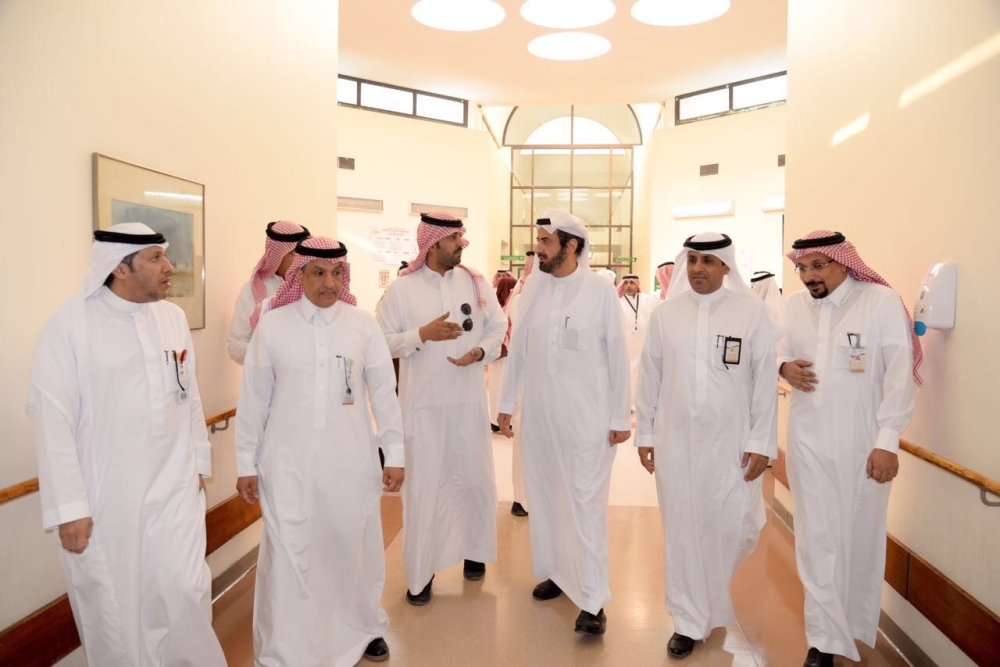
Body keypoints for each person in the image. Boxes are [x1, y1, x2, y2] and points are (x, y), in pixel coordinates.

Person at [26, 223, 225, 666]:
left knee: (186, 592)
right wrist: (69, 508)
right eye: (155, 258)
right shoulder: (70, 326)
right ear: (118, 267)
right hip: (107, 498)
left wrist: (198, 464)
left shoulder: (171, 319)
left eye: (165, 255)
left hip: (174, 491)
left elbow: (189, 398)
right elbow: (53, 422)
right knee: (117, 610)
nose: (169, 267)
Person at [236, 236, 404, 665]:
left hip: (350, 462)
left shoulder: (363, 325)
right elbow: (254, 400)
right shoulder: (273, 325)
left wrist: (395, 454)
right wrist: (245, 463)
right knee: (290, 553)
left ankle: (363, 626)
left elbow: (385, 395)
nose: (330, 282)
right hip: (286, 464)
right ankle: (284, 646)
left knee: (351, 546)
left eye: (337, 273)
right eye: (319, 273)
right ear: (299, 274)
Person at [779, 230, 920, 667]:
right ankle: (823, 641)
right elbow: (777, 350)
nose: (809, 276)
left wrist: (887, 442)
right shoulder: (794, 306)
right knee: (815, 540)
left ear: (844, 262)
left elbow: (899, 375)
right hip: (807, 442)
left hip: (864, 446)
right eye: (802, 268)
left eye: (818, 266)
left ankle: (851, 628)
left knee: (859, 537)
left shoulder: (880, 302)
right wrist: (783, 366)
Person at [635, 232, 778, 659]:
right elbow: (650, 376)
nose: (698, 268)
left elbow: (764, 383)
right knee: (682, 529)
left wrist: (762, 440)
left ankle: (708, 602)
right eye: (693, 260)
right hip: (675, 440)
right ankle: (687, 619)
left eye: (708, 261)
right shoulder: (666, 314)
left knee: (734, 526)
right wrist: (645, 434)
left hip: (732, 442)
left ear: (725, 267)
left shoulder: (752, 314)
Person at [498, 209, 631, 636]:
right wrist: (505, 404)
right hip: (539, 417)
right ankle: (557, 572)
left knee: (585, 505)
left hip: (587, 419)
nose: (538, 249)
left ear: (571, 245)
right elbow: (518, 352)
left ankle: (593, 601)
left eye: (546, 241)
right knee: (546, 497)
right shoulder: (534, 290)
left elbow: (617, 355)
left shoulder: (599, 290)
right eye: (538, 241)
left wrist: (620, 414)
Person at [376, 212, 507, 605]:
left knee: (473, 478)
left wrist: (480, 351)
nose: (462, 244)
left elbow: (498, 326)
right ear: (433, 244)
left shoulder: (475, 282)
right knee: (426, 486)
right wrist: (422, 334)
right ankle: (423, 571)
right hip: (423, 407)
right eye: (454, 239)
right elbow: (380, 341)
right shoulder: (402, 291)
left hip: (468, 402)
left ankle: (474, 551)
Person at [226, 220, 310, 364]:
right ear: (277, 256)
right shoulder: (251, 290)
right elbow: (235, 346)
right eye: (294, 253)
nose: (301, 259)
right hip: (267, 376)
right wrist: (271, 354)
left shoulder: (313, 287)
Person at [501, 251, 536, 518]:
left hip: (559, 386)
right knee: (525, 439)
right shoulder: (521, 299)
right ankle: (522, 498)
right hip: (527, 381)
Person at [617, 273, 657, 412]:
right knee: (629, 373)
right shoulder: (619, 302)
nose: (628, 286)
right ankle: (629, 404)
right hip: (627, 344)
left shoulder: (646, 300)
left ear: (637, 284)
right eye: (626, 283)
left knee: (644, 373)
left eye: (632, 283)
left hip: (644, 343)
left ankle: (643, 403)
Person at [488, 271, 518, 433]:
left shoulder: (495, 306)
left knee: (497, 389)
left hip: (499, 356)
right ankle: (499, 420)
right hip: (503, 356)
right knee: (502, 389)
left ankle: (496, 420)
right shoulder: (504, 307)